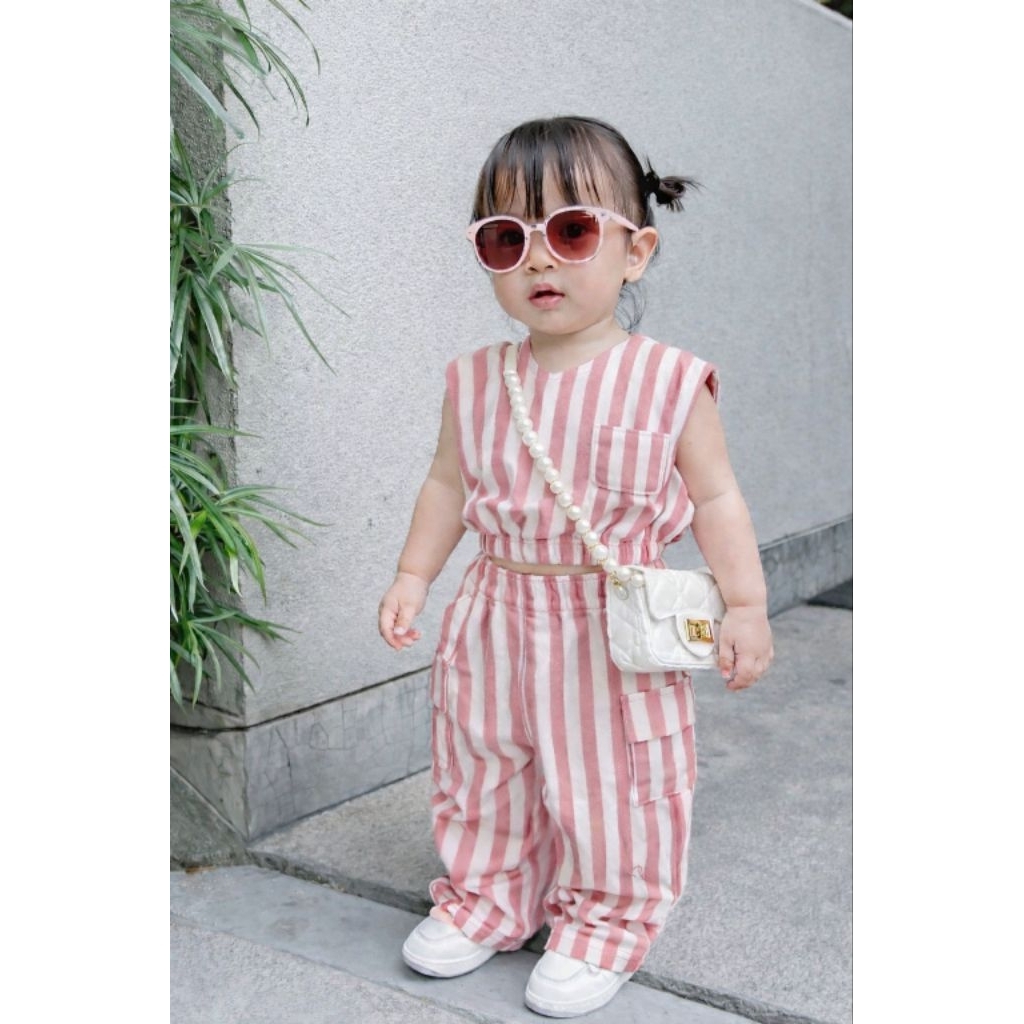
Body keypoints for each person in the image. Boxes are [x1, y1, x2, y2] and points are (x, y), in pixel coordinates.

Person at [378, 115, 773, 1019]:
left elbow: (717, 498)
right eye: (505, 239)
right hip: (495, 608)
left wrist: (746, 606)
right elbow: (447, 483)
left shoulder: (670, 381)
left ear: (636, 252)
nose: (538, 260)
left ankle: (605, 920)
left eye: (572, 231)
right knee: (484, 761)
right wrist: (413, 575)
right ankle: (489, 896)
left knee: (614, 778)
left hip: (610, 620)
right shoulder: (476, 379)